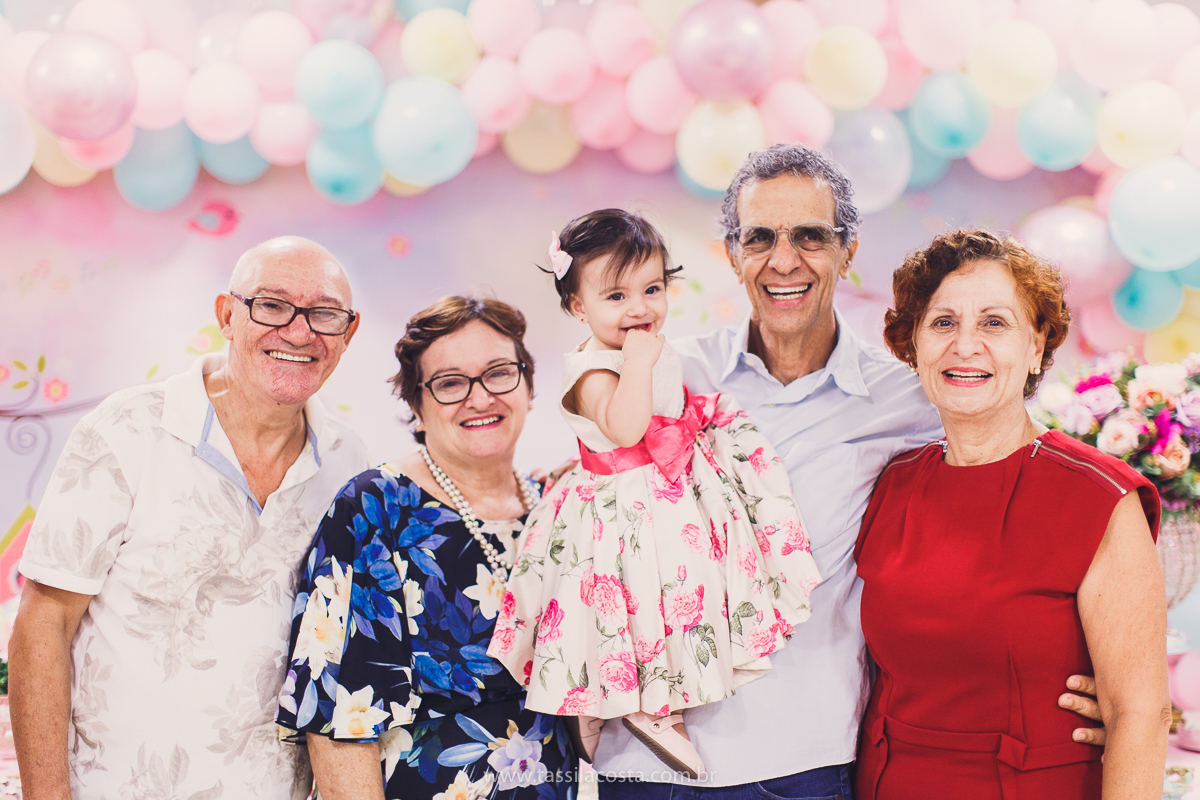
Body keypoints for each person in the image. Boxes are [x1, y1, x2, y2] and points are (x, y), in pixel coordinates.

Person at [592, 145, 1113, 799]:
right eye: (761, 238)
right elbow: (590, 503)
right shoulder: (662, 373)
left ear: (848, 250)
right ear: (730, 252)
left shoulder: (914, 395)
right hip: (639, 764)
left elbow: (1032, 481)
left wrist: (1094, 677)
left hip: (801, 765)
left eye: (810, 236)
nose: (785, 260)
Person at [10, 236, 369, 800]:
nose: (300, 332)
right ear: (228, 315)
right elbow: (43, 624)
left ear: (347, 334)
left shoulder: (350, 466)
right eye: (272, 305)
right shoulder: (125, 431)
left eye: (324, 314)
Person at [489, 211, 822, 779]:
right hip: (625, 508)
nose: (640, 308)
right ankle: (651, 705)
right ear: (577, 306)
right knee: (639, 603)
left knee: (684, 593)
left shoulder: (646, 348)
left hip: (664, 490)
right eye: (616, 295)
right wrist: (640, 365)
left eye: (652, 289)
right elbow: (624, 427)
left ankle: (607, 702)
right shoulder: (592, 369)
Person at [854, 229, 1169, 799]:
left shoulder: (1099, 499)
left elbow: (1138, 716)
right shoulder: (891, 483)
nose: (965, 346)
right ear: (914, 344)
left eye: (994, 323)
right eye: (943, 323)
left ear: (1036, 347)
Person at [275, 296, 576, 800]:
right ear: (416, 404)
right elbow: (338, 720)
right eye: (450, 383)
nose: (480, 399)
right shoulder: (376, 508)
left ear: (527, 383)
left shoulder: (553, 508)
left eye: (499, 373)